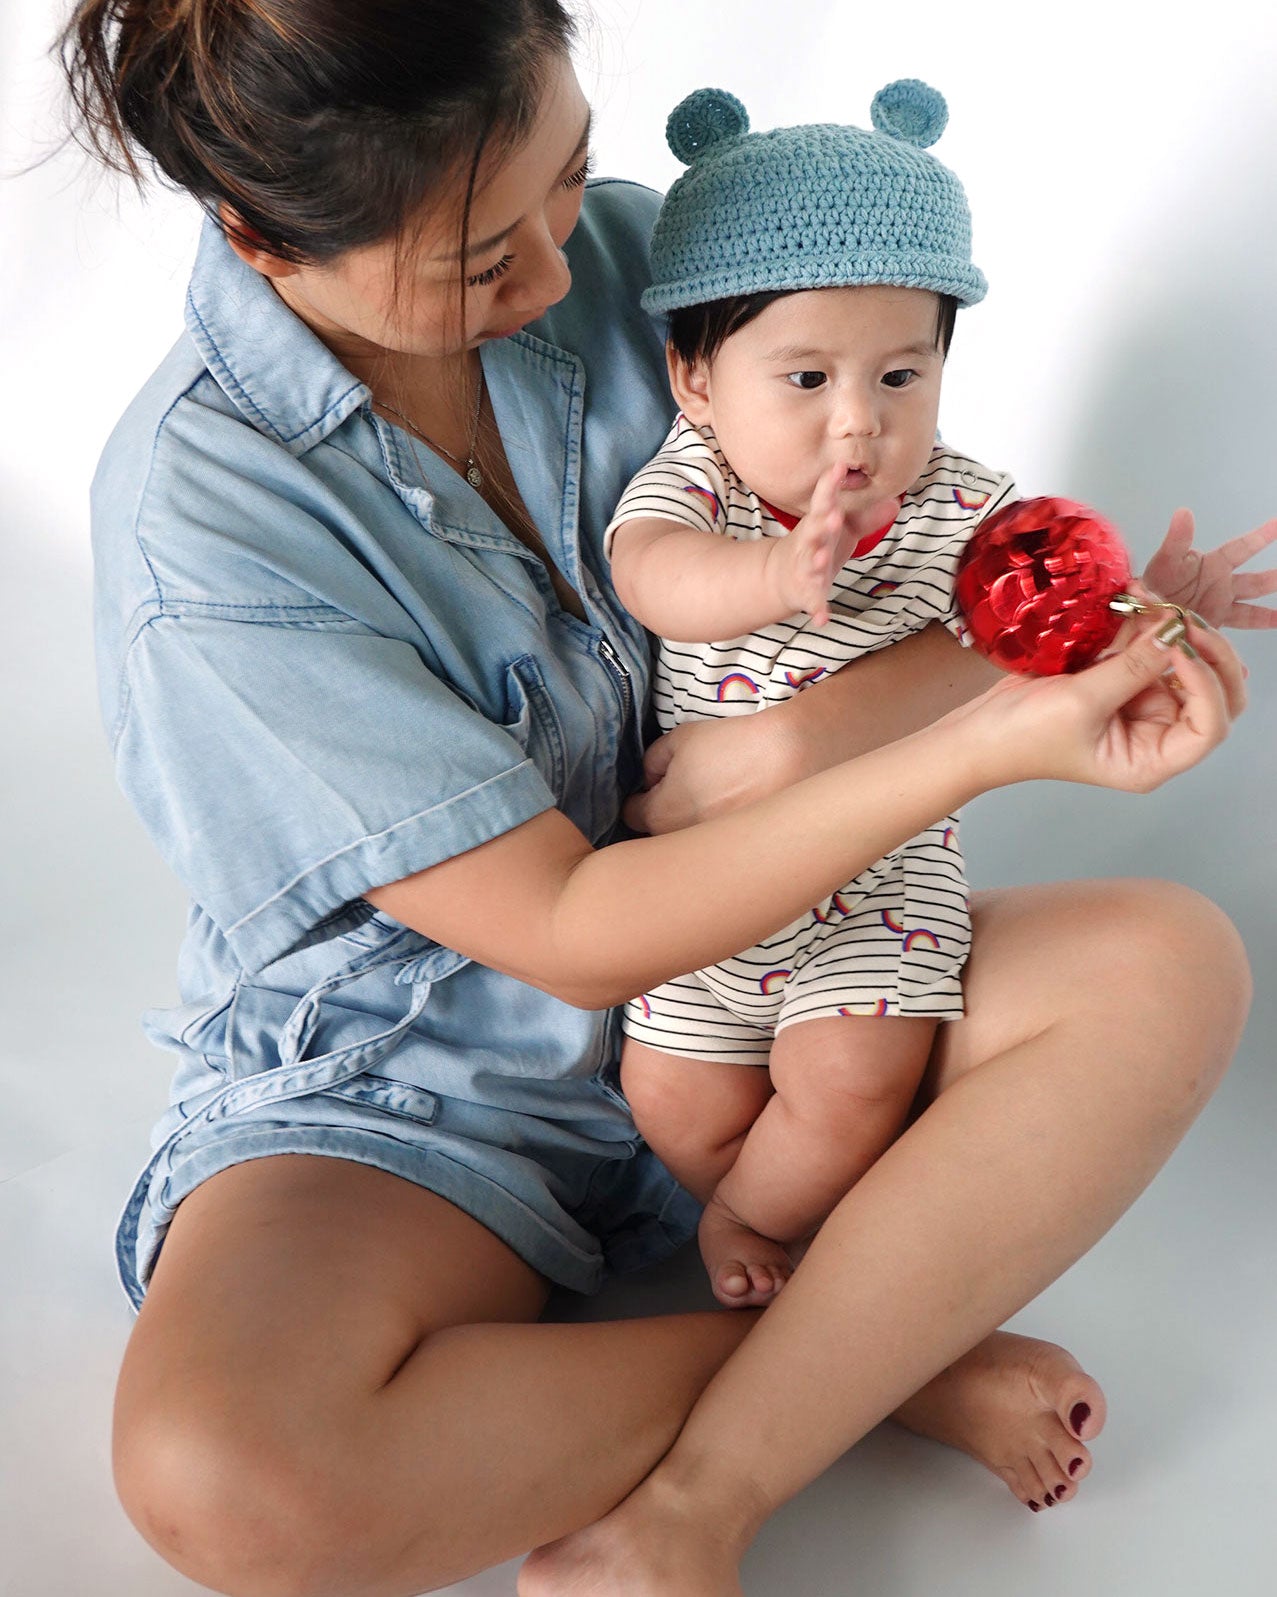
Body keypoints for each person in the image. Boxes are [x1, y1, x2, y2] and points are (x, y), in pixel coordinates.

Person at [59, 3, 1272, 1594]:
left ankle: (717, 1476)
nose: (567, 277)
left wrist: (814, 737)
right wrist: (977, 747)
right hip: (424, 1086)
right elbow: (570, 933)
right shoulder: (202, 533)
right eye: (480, 262)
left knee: (1167, 960)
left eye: (569, 179)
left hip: (781, 997)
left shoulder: (660, 257)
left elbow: (923, 580)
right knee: (233, 1477)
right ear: (261, 237)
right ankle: (874, 1352)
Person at [607, 82, 1018, 1311]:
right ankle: (739, 1185)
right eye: (804, 380)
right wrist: (773, 572)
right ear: (693, 378)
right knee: (667, 1091)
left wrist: (1142, 593)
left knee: (847, 1076)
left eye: (901, 375)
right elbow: (651, 580)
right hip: (712, 881)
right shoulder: (699, 488)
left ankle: (756, 1212)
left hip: (877, 885)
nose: (859, 425)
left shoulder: (953, 501)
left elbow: (1037, 597)